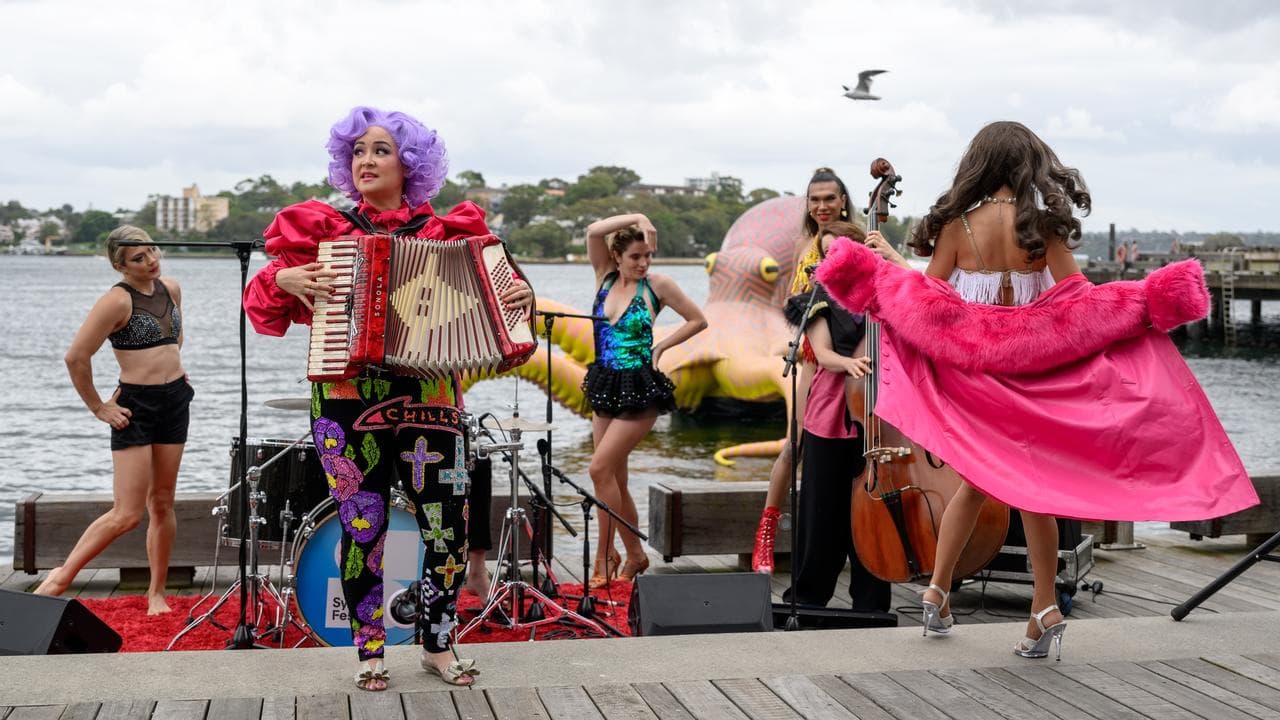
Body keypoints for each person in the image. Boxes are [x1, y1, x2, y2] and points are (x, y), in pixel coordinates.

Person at [816, 120, 1256, 660]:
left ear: (978, 163)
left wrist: (887, 274)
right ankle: (1043, 606)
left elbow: (928, 306)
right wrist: (1144, 302)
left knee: (974, 482)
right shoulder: (1042, 225)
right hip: (1032, 380)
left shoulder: (957, 225)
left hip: (977, 381)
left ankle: (937, 591)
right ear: (1029, 164)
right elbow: (1080, 301)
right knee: (1033, 492)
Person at [243, 106, 534, 691]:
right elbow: (262, 308)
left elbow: (509, 303)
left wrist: (521, 297)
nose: (366, 160)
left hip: (431, 396)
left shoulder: (449, 235)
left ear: (410, 165)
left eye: (380, 150)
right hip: (345, 396)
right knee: (362, 526)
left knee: (447, 528)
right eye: (357, 151)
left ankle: (437, 644)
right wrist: (281, 279)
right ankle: (369, 650)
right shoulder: (324, 231)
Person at [36, 225, 194, 616]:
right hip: (135, 408)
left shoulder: (171, 288)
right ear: (120, 266)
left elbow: (174, 338)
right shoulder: (116, 301)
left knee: (163, 503)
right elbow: (76, 357)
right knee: (127, 513)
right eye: (139, 258)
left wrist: (172, 369)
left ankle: (156, 593)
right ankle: (61, 577)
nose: (151, 260)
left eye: (152, 250)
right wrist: (99, 407)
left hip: (175, 401)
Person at [751, 167, 891, 574]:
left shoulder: (853, 238)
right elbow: (797, 297)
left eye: (829, 198)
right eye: (814, 200)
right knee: (794, 444)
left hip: (851, 349)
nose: (822, 206)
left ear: (843, 201)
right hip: (817, 353)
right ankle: (765, 534)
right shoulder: (807, 246)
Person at [582, 213, 707, 589]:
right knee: (615, 479)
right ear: (617, 256)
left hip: (640, 388)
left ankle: (605, 555)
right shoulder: (603, 276)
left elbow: (697, 320)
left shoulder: (657, 286)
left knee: (599, 470)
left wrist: (661, 347)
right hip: (605, 384)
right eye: (635, 256)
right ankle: (635, 555)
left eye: (648, 256)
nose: (643, 263)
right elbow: (593, 231)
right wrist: (638, 216)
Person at [782, 220, 892, 613]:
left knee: (873, 510)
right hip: (831, 412)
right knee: (821, 510)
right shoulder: (818, 297)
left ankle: (872, 601)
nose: (835, 260)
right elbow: (824, 353)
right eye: (827, 253)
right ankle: (809, 597)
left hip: (877, 414)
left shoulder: (883, 292)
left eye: (841, 251)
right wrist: (849, 363)